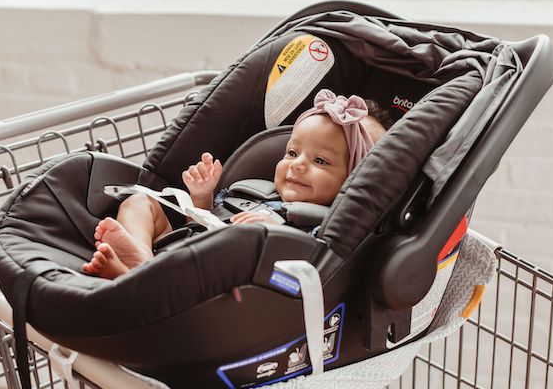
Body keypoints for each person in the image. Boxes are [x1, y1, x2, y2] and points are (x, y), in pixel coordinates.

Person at [82, 89, 390, 279]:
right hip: (180, 247)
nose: (297, 164)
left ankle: (137, 275)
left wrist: (272, 234)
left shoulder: (324, 229)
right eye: (293, 152)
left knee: (239, 244)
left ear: (352, 181)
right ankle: (139, 261)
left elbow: (302, 270)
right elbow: (200, 226)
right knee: (140, 202)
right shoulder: (253, 190)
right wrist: (202, 200)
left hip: (212, 279)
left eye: (320, 161)